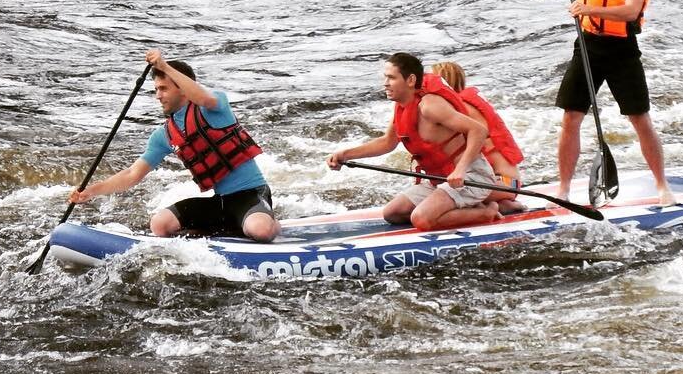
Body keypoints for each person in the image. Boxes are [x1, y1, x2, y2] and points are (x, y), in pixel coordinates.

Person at [542, 0, 674, 205]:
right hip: (587, 46)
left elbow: (630, 11)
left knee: (639, 118)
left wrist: (588, 9)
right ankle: (563, 189)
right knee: (571, 116)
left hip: (621, 50)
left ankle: (662, 185)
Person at [68, 51, 281, 240]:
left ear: (183, 89)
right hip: (220, 203)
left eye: (163, 89)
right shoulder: (164, 135)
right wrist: (92, 191)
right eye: (156, 90)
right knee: (159, 225)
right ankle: (230, 227)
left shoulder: (215, 107)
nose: (158, 96)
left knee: (260, 230)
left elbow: (202, 98)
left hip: (250, 194)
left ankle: (271, 224)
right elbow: (132, 174)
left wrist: (165, 66)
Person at [326, 53, 501, 231]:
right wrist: (344, 155)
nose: (385, 83)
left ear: (410, 80)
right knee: (393, 213)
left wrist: (461, 169)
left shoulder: (431, 106)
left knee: (421, 219)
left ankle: (487, 212)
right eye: (385, 77)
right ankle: (465, 206)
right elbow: (387, 143)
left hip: (470, 176)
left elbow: (478, 130)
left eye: (391, 78)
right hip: (440, 180)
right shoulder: (402, 108)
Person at [431, 61, 524, 211]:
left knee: (439, 199)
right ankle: (499, 204)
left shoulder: (460, 109)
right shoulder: (465, 103)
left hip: (503, 182)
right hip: (509, 182)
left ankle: (493, 206)